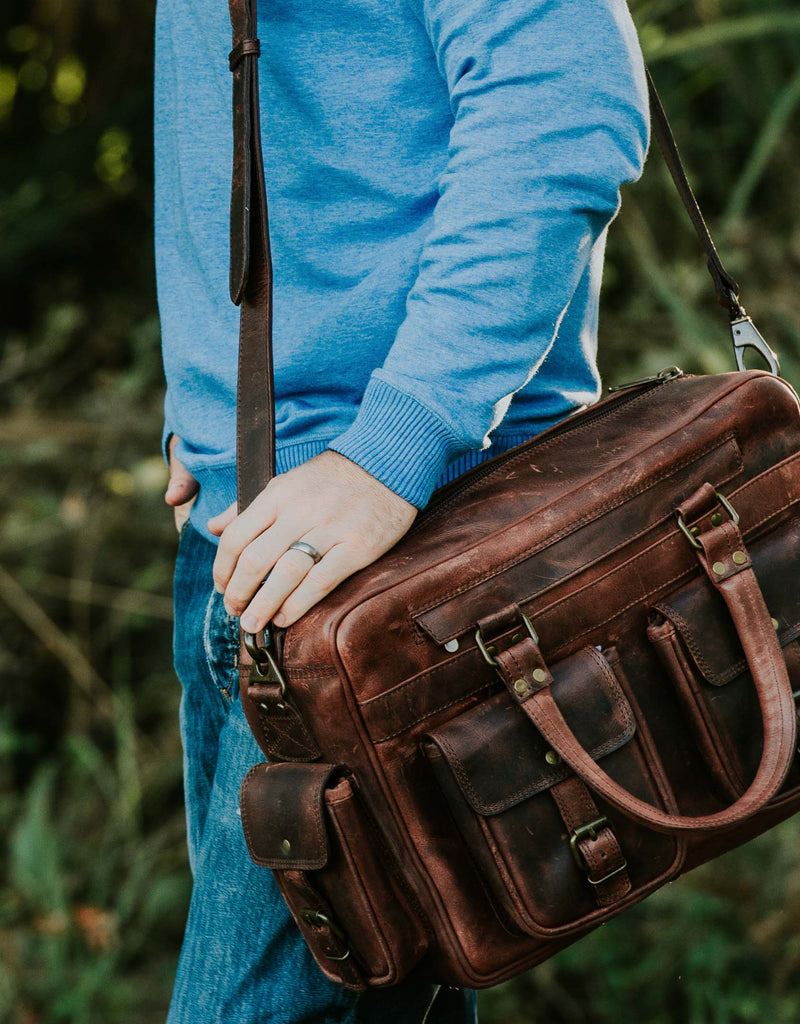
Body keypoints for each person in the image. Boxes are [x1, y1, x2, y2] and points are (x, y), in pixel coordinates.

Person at [155, 0, 650, 1020]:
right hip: (260, 535)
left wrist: (392, 447)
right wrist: (206, 409)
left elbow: (564, 102)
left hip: (388, 560)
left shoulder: (383, 483)